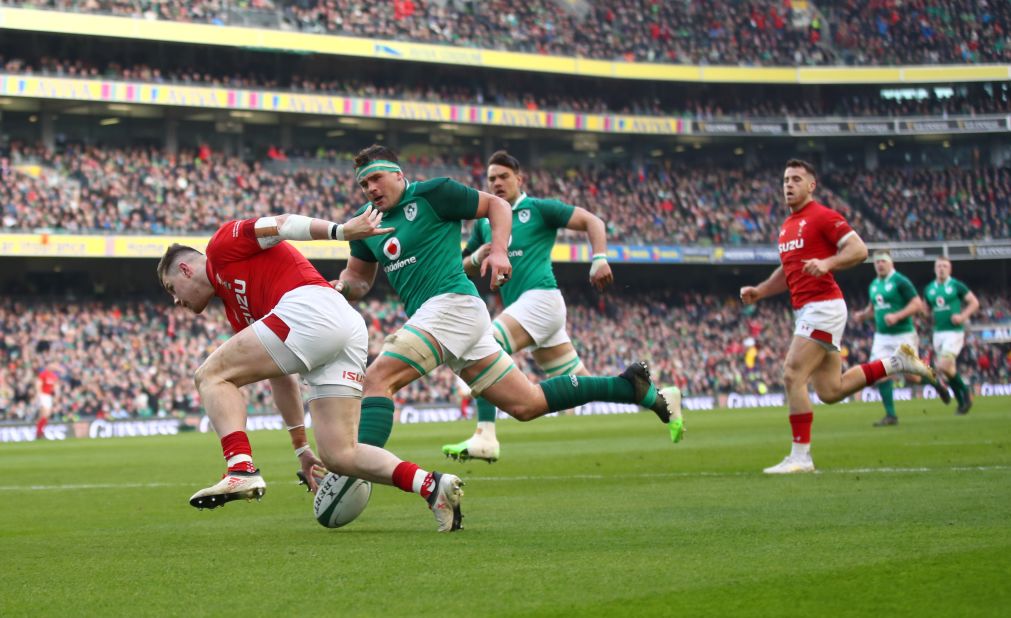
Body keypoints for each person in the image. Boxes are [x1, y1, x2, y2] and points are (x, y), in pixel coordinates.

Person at [333, 145, 682, 464]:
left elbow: (496, 206)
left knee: (376, 378)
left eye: (376, 178)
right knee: (526, 404)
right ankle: (634, 387)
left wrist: (501, 251)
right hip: (447, 318)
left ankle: (358, 471)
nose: (371, 188)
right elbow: (360, 279)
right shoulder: (365, 221)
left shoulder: (433, 193)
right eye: (364, 184)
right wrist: (341, 287)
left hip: (453, 306)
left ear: (398, 173)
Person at [157, 206, 465, 532]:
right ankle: (433, 486)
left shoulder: (221, 246)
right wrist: (302, 449)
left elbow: (281, 224)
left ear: (185, 270)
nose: (176, 301)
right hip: (341, 327)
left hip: (310, 310)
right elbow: (281, 376)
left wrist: (341, 232)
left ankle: (240, 468)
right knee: (338, 455)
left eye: (171, 289)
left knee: (210, 375)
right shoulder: (236, 310)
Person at [441, 150, 660, 462]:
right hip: (531, 312)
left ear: (520, 179)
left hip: (541, 299)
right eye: (492, 179)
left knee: (485, 344)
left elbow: (592, 221)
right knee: (583, 383)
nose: (497, 183)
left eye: (504, 177)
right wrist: (476, 257)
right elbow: (461, 268)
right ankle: (656, 397)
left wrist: (599, 258)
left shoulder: (540, 209)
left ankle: (485, 435)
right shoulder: (485, 224)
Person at [740, 159, 941, 474]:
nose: (789, 185)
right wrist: (761, 291)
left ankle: (801, 457)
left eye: (796, 179)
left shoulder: (822, 216)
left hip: (824, 306)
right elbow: (787, 270)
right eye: (785, 180)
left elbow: (859, 250)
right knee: (830, 391)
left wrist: (828, 263)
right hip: (809, 309)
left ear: (811, 185)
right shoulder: (786, 226)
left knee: (792, 373)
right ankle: (897, 363)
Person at [852, 251, 948, 427]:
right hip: (881, 337)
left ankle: (935, 381)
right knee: (879, 373)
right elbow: (873, 308)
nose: (880, 264)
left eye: (883, 261)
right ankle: (891, 415)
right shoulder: (874, 284)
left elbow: (917, 304)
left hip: (903, 334)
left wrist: (897, 316)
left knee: (913, 377)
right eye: (877, 262)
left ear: (891, 263)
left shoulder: (900, 281)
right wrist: (862, 316)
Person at [923, 256, 979, 414]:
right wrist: (922, 312)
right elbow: (926, 311)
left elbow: (974, 302)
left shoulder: (956, 285)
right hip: (938, 333)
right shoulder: (929, 289)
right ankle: (962, 403)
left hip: (954, 332)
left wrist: (962, 316)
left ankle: (966, 392)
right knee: (948, 371)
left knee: (943, 365)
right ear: (935, 269)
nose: (941, 268)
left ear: (950, 269)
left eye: (944, 266)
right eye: (939, 266)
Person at [34, 363, 59, 440]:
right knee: (45, 413)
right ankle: (39, 431)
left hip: (49, 396)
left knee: (45, 415)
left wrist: (56, 396)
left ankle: (39, 430)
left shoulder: (54, 376)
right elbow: (38, 384)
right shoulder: (43, 374)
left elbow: (55, 386)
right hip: (43, 395)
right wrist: (39, 395)